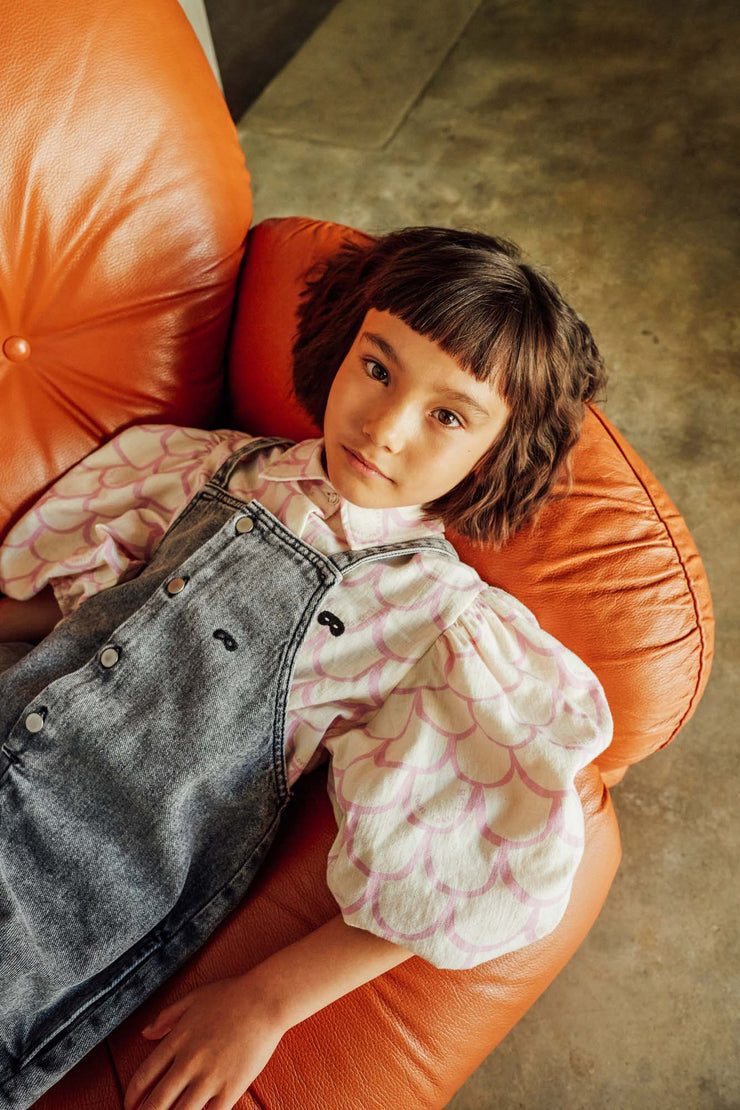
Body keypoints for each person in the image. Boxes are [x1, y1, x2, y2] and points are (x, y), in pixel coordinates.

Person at [0, 227, 612, 1110]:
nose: (387, 425)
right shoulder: (221, 467)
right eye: (379, 367)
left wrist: (268, 1001)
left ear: (496, 453)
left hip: (64, 896)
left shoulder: (437, 623)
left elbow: (475, 867)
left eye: (449, 416)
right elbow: (84, 608)